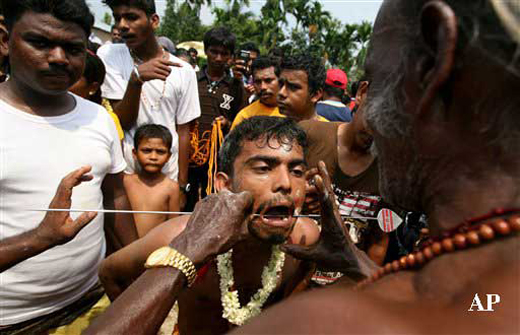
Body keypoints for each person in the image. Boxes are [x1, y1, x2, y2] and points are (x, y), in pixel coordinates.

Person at [231, 0, 520, 333]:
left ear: (430, 65)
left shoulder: (319, 323)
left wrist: (180, 260)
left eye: (376, 74)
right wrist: (356, 260)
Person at [86, 116, 325, 335]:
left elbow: (299, 285)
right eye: (263, 168)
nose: (285, 183)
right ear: (224, 185)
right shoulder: (181, 238)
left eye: (296, 171)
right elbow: (110, 272)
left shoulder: (305, 238)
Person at [0, 0, 137, 333]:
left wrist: (137, 272)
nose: (59, 58)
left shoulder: (100, 118)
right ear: (5, 40)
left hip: (92, 302)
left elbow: (115, 200)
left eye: (73, 48)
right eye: (41, 43)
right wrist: (39, 239)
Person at [98, 0, 200, 211]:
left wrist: (181, 185)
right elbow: (123, 121)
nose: (123, 25)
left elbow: (183, 131)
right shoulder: (110, 56)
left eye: (132, 17)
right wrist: (136, 79)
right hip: (126, 172)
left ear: (154, 21)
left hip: (167, 174)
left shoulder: (184, 70)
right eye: (118, 18)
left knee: (163, 239)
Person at [300, 81, 389, 286]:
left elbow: (379, 241)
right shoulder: (309, 135)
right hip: (293, 279)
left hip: (343, 289)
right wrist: (298, 194)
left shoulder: (390, 171)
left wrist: (361, 291)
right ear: (362, 93)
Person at [186, 27, 248, 211]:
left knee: (212, 200)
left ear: (230, 56)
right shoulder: (192, 79)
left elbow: (241, 119)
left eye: (224, 53)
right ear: (206, 51)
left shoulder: (235, 85)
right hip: (189, 152)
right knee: (186, 199)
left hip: (217, 155)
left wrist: (227, 124)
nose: (219, 58)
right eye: (214, 52)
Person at [124, 124, 180, 238]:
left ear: (169, 156)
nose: (153, 157)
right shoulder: (125, 182)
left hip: (155, 250)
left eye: (160, 152)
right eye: (147, 150)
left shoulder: (171, 187)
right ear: (134, 153)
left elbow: (173, 225)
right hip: (124, 248)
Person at [69, 50, 124, 140]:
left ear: (93, 87)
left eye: (74, 78)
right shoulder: (46, 113)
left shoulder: (106, 120)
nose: (65, 82)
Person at [231, 57, 283, 129]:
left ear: (280, 81)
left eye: (268, 80)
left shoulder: (295, 112)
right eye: (258, 82)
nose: (263, 87)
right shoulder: (245, 117)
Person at [277, 54, 329, 122]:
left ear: (315, 95)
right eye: (281, 84)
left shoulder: (327, 131)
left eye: (293, 87)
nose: (281, 92)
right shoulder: (270, 127)